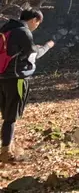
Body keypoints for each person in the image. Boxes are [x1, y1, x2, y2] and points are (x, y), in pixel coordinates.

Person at [0, 9, 54, 162]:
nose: (37, 26)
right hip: (16, 78)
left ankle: (8, 146)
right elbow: (33, 54)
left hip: (2, 77)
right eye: (38, 23)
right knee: (11, 117)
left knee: (6, 114)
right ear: (34, 19)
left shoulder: (6, 28)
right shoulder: (23, 32)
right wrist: (47, 46)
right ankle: (6, 152)